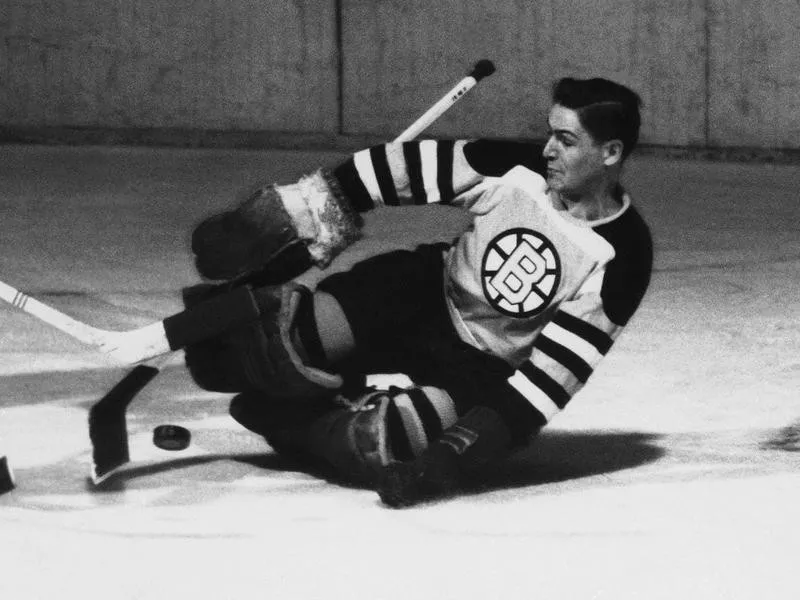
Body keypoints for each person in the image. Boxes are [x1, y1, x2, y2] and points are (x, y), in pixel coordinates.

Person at [185, 77, 653, 507]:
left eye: (566, 141)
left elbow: (550, 378)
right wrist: (299, 216)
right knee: (277, 342)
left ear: (610, 152)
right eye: (550, 133)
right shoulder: (519, 169)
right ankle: (269, 359)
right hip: (422, 294)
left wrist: (453, 456)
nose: (548, 150)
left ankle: (293, 419)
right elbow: (397, 170)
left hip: (481, 363)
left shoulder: (623, 255)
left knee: (378, 440)